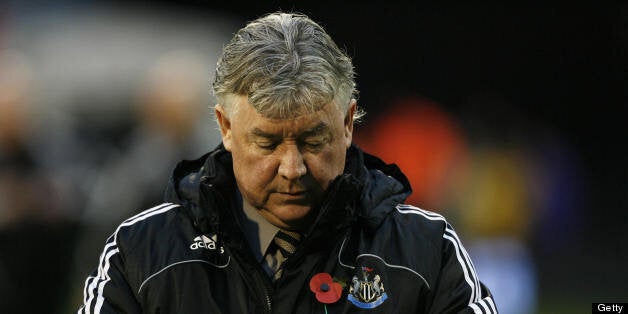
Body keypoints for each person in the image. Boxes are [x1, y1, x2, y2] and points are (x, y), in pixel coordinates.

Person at [79, 12, 497, 314]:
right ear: (225, 127)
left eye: (314, 140)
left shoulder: (426, 252)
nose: (292, 167)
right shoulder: (141, 253)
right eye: (266, 142)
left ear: (349, 123)